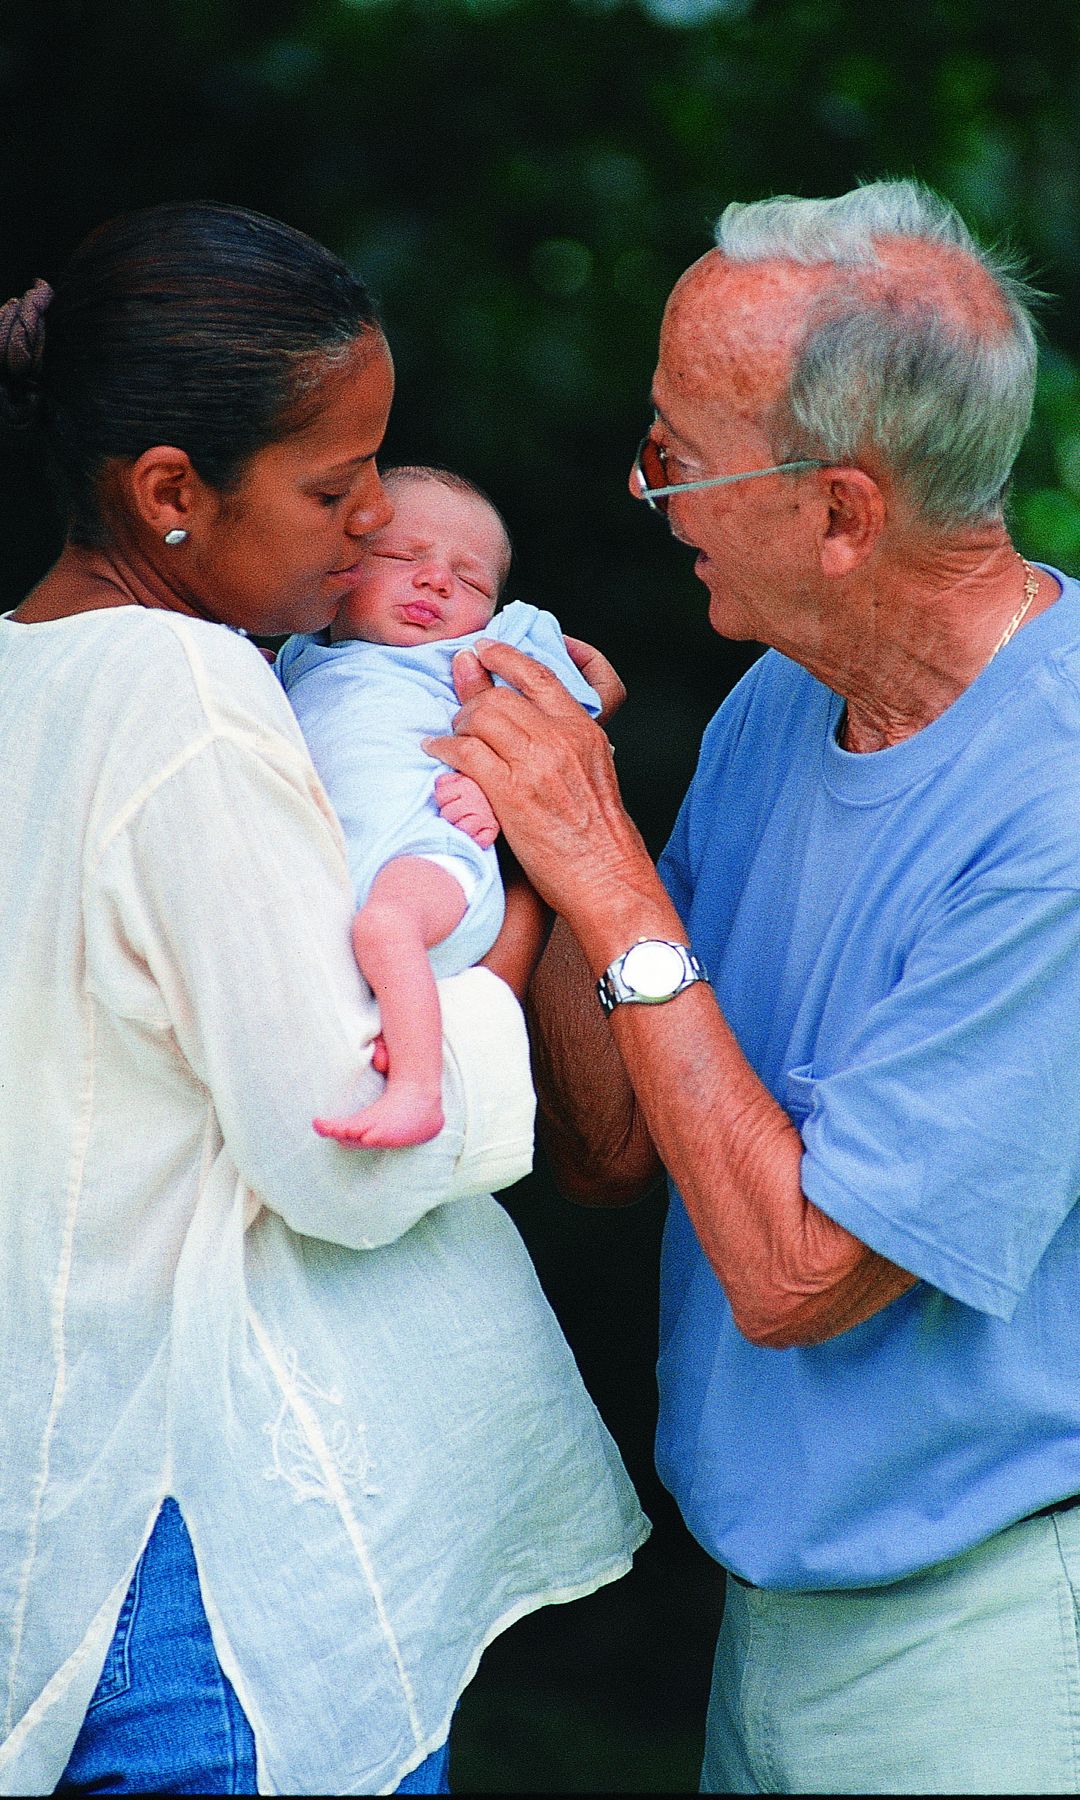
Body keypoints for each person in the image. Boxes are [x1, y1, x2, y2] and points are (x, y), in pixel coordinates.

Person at [429, 178, 1080, 1795]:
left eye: (678, 456)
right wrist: (557, 844)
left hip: (987, 1643)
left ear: (846, 512)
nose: (648, 493)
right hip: (768, 1612)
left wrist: (606, 872)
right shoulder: (772, 709)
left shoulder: (1061, 805)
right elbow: (613, 1148)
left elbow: (795, 1274)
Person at [0, 201, 648, 1799]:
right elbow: (339, 1151)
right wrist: (516, 913)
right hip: (208, 1567)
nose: (374, 525)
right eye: (333, 484)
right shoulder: (193, 698)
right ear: (169, 493)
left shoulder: (28, 680)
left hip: (71, 1503)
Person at [275, 462, 601, 1148]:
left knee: (385, 929)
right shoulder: (299, 657)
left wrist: (493, 795)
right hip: (347, 868)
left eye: (472, 579)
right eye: (402, 557)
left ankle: (418, 1090)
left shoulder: (483, 652)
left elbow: (565, 743)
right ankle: (405, 1025)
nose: (437, 581)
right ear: (339, 567)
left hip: (432, 855)